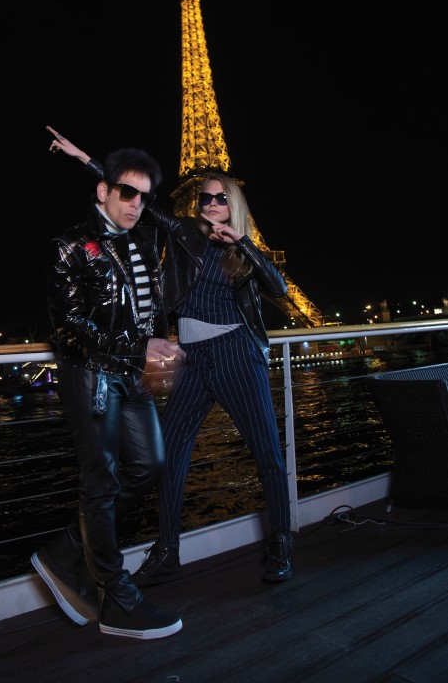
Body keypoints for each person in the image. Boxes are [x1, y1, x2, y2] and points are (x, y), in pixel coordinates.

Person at [46, 125, 293, 588]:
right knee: (172, 456)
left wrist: (241, 242)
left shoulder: (243, 252)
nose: (210, 205)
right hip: (191, 358)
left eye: (220, 199)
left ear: (234, 204)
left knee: (267, 454)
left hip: (237, 352)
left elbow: (278, 289)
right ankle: (167, 551)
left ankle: (280, 541)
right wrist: (83, 158)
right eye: (204, 199)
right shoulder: (184, 233)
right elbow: (133, 197)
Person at [31, 128, 186, 640]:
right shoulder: (69, 246)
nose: (137, 204)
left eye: (144, 195)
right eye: (126, 192)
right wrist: (139, 348)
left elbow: (174, 227)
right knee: (101, 483)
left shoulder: (141, 238)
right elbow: (70, 327)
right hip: (92, 377)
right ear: (102, 190)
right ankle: (115, 595)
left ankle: (66, 552)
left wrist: (153, 347)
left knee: (150, 466)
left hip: (132, 377)